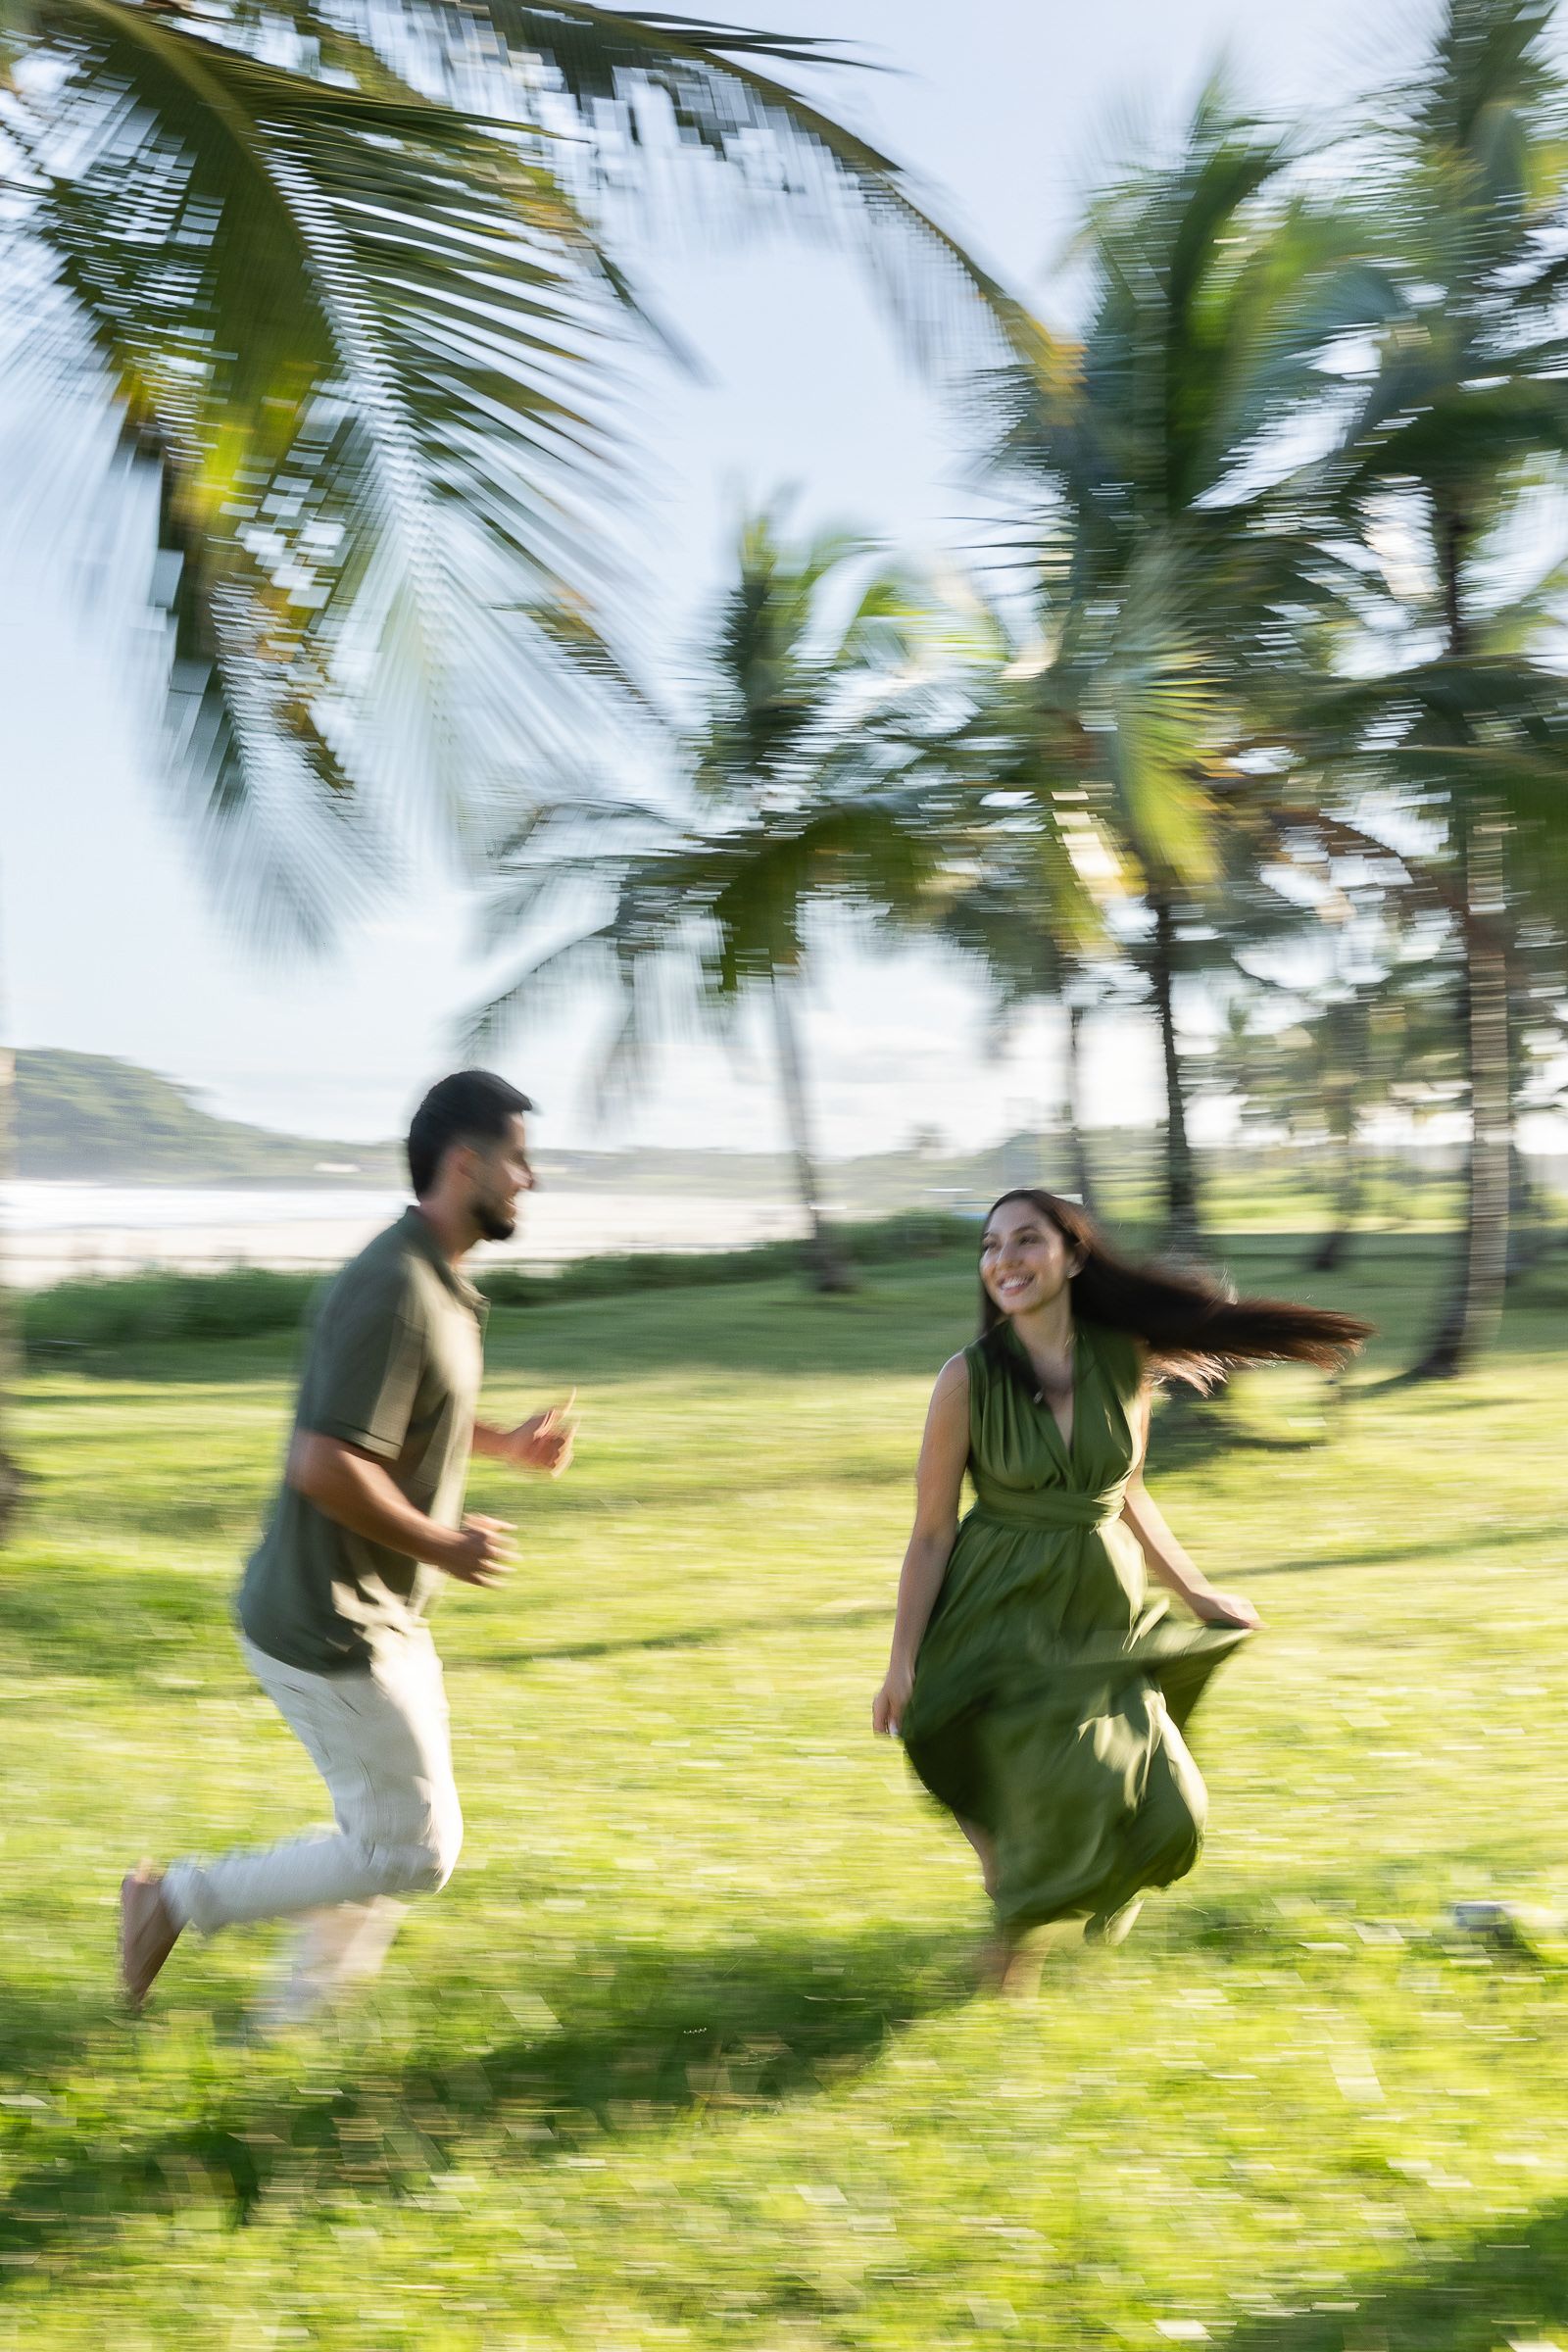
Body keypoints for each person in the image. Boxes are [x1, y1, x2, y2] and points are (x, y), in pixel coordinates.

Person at [120, 1069, 576, 2021]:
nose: (529, 1179)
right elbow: (323, 1462)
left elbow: (401, 1410)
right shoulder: (394, 1287)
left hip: (381, 1611)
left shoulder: (435, 1282)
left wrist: (503, 1443)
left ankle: (292, 2040)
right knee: (413, 1849)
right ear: (466, 1163)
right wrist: (446, 1545)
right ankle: (175, 1901)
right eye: (519, 1160)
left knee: (385, 1833)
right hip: (326, 1621)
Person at [872, 1188, 1370, 1993]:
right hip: (997, 1604)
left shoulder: (1122, 1361)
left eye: (1025, 1240)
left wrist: (1198, 1595)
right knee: (1035, 1782)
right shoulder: (967, 1379)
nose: (1004, 1260)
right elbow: (932, 1532)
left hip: (1100, 1601)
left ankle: (1020, 1923)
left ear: (1073, 1257)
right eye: (991, 1246)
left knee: (1167, 1808)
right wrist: (901, 1662)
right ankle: (1011, 1946)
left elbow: (1128, 1490)